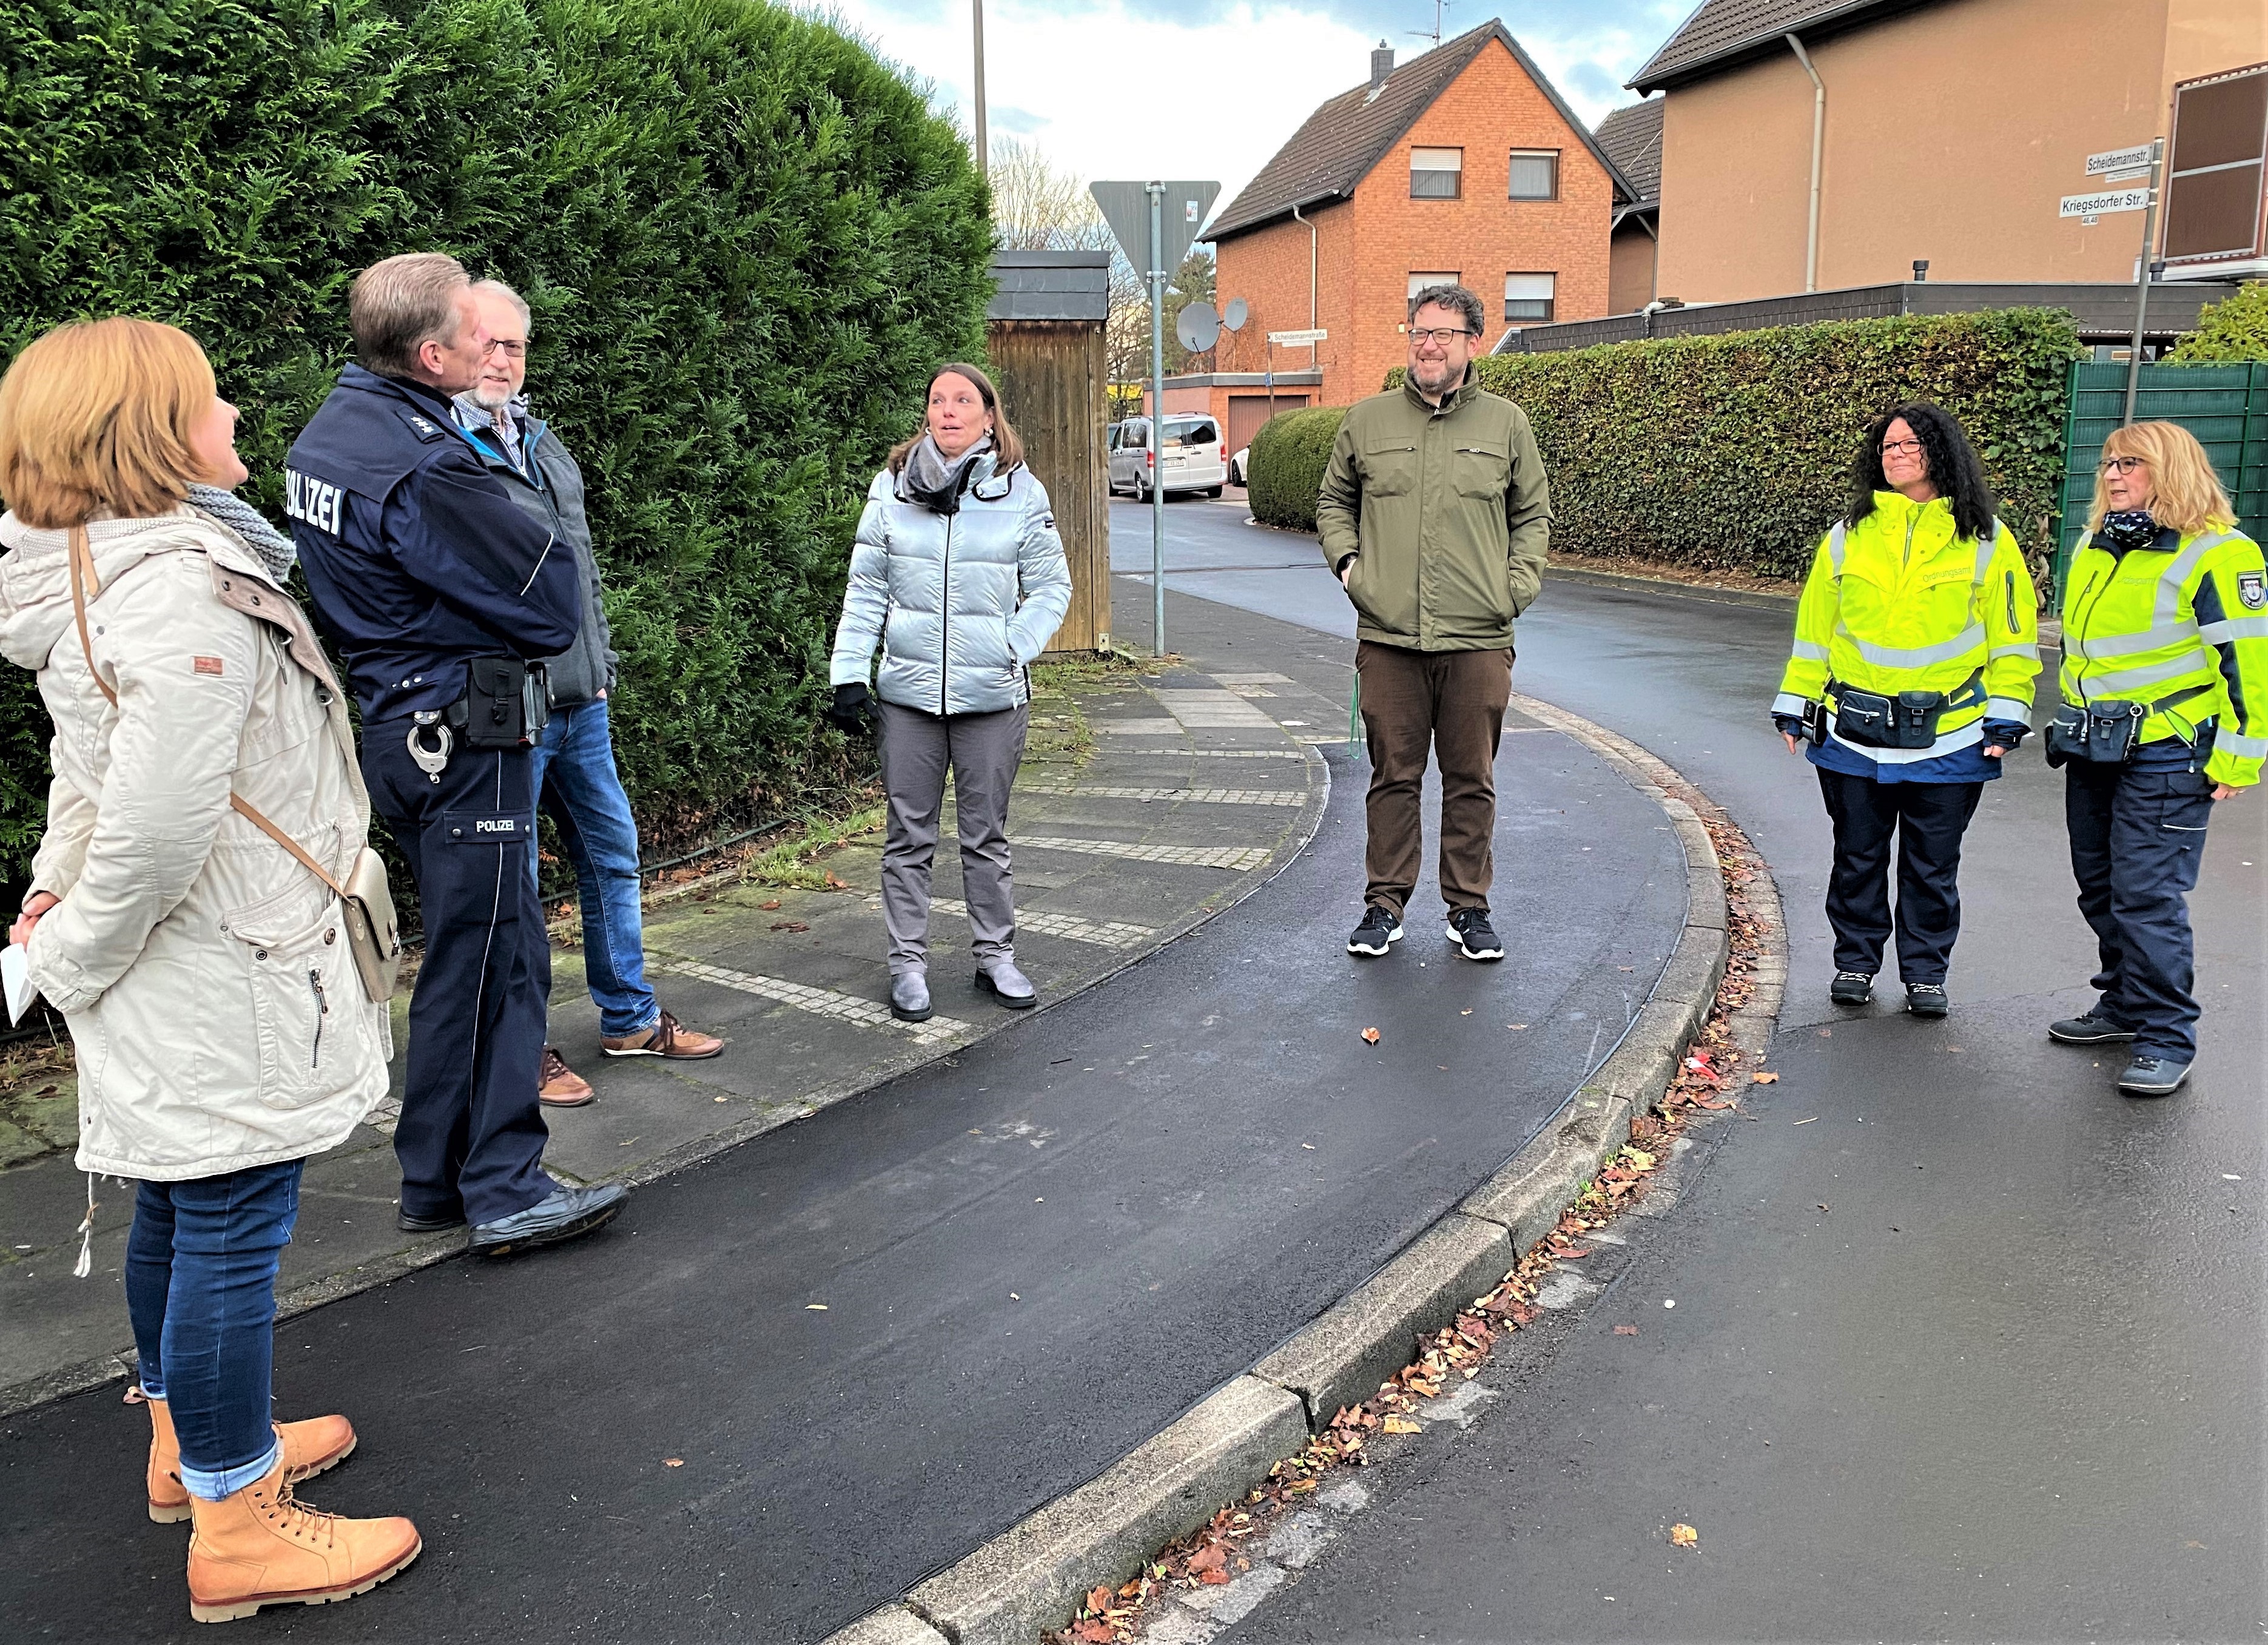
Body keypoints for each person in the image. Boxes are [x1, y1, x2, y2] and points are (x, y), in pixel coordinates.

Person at [0, 317, 419, 1622]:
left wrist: (52, 901)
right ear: (149, 436)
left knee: (180, 1209)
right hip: (225, 964)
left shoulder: (94, 569)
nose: (234, 411)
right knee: (233, 1223)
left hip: (190, 963)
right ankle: (239, 1523)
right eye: (207, 398)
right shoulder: (179, 581)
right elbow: (159, 826)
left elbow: (94, 771)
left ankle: (192, 1453)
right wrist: (64, 941)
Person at [286, 252, 628, 1252]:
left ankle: (437, 1176)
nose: (492, 348)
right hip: (462, 727)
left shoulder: (333, 432)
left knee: (464, 957)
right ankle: (504, 1187)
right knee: (496, 960)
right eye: (473, 333)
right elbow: (550, 598)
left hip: (402, 718)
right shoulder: (428, 464)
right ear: (429, 351)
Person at [450, 279, 722, 1107]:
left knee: (611, 858)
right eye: (487, 343)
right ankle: (514, 1052)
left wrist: (598, 668)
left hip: (580, 703)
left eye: (515, 346)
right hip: (508, 710)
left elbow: (582, 567)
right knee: (510, 889)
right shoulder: (444, 453)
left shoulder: (542, 442)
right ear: (451, 348)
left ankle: (629, 1020)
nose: (502, 359)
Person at [1771, 402, 2039, 1017]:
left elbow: (2013, 639)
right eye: (1887, 447)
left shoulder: (1987, 541)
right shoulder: (1846, 536)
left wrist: (2007, 714)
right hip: (1852, 733)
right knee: (1856, 857)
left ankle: (1924, 975)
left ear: (1940, 453)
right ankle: (1855, 964)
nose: (1895, 455)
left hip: (1949, 736)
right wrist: (1795, 704)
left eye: (1909, 445)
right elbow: (1816, 633)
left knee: (1932, 867)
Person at [827, 363, 1072, 1023]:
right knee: (907, 838)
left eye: (964, 400)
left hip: (991, 700)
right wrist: (849, 670)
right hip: (907, 699)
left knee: (985, 837)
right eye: (938, 400)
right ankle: (907, 966)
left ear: (989, 416)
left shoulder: (1021, 493)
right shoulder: (891, 490)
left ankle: (996, 956)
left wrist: (1008, 646)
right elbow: (867, 588)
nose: (949, 410)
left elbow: (1052, 587)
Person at [1317, 282, 1551, 963]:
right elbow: (1334, 500)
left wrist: (1514, 589)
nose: (1427, 344)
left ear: (1472, 343)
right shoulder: (1367, 421)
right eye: (1418, 331)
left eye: (1442, 333)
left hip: (1479, 636)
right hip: (1388, 638)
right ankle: (1383, 905)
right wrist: (1351, 569)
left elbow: (1531, 515)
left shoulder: (1506, 425)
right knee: (1392, 775)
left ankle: (1468, 908)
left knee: (1470, 777)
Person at [2044, 420, 2264, 1096]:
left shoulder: (2219, 554)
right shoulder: (2093, 544)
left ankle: (2167, 1036)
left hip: (2167, 751)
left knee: (2146, 896)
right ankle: (2122, 1005)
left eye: (2131, 463)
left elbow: (2249, 663)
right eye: (2109, 462)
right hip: (2093, 744)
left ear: (2171, 469)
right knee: (2100, 886)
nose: (2113, 474)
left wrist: (2239, 756)